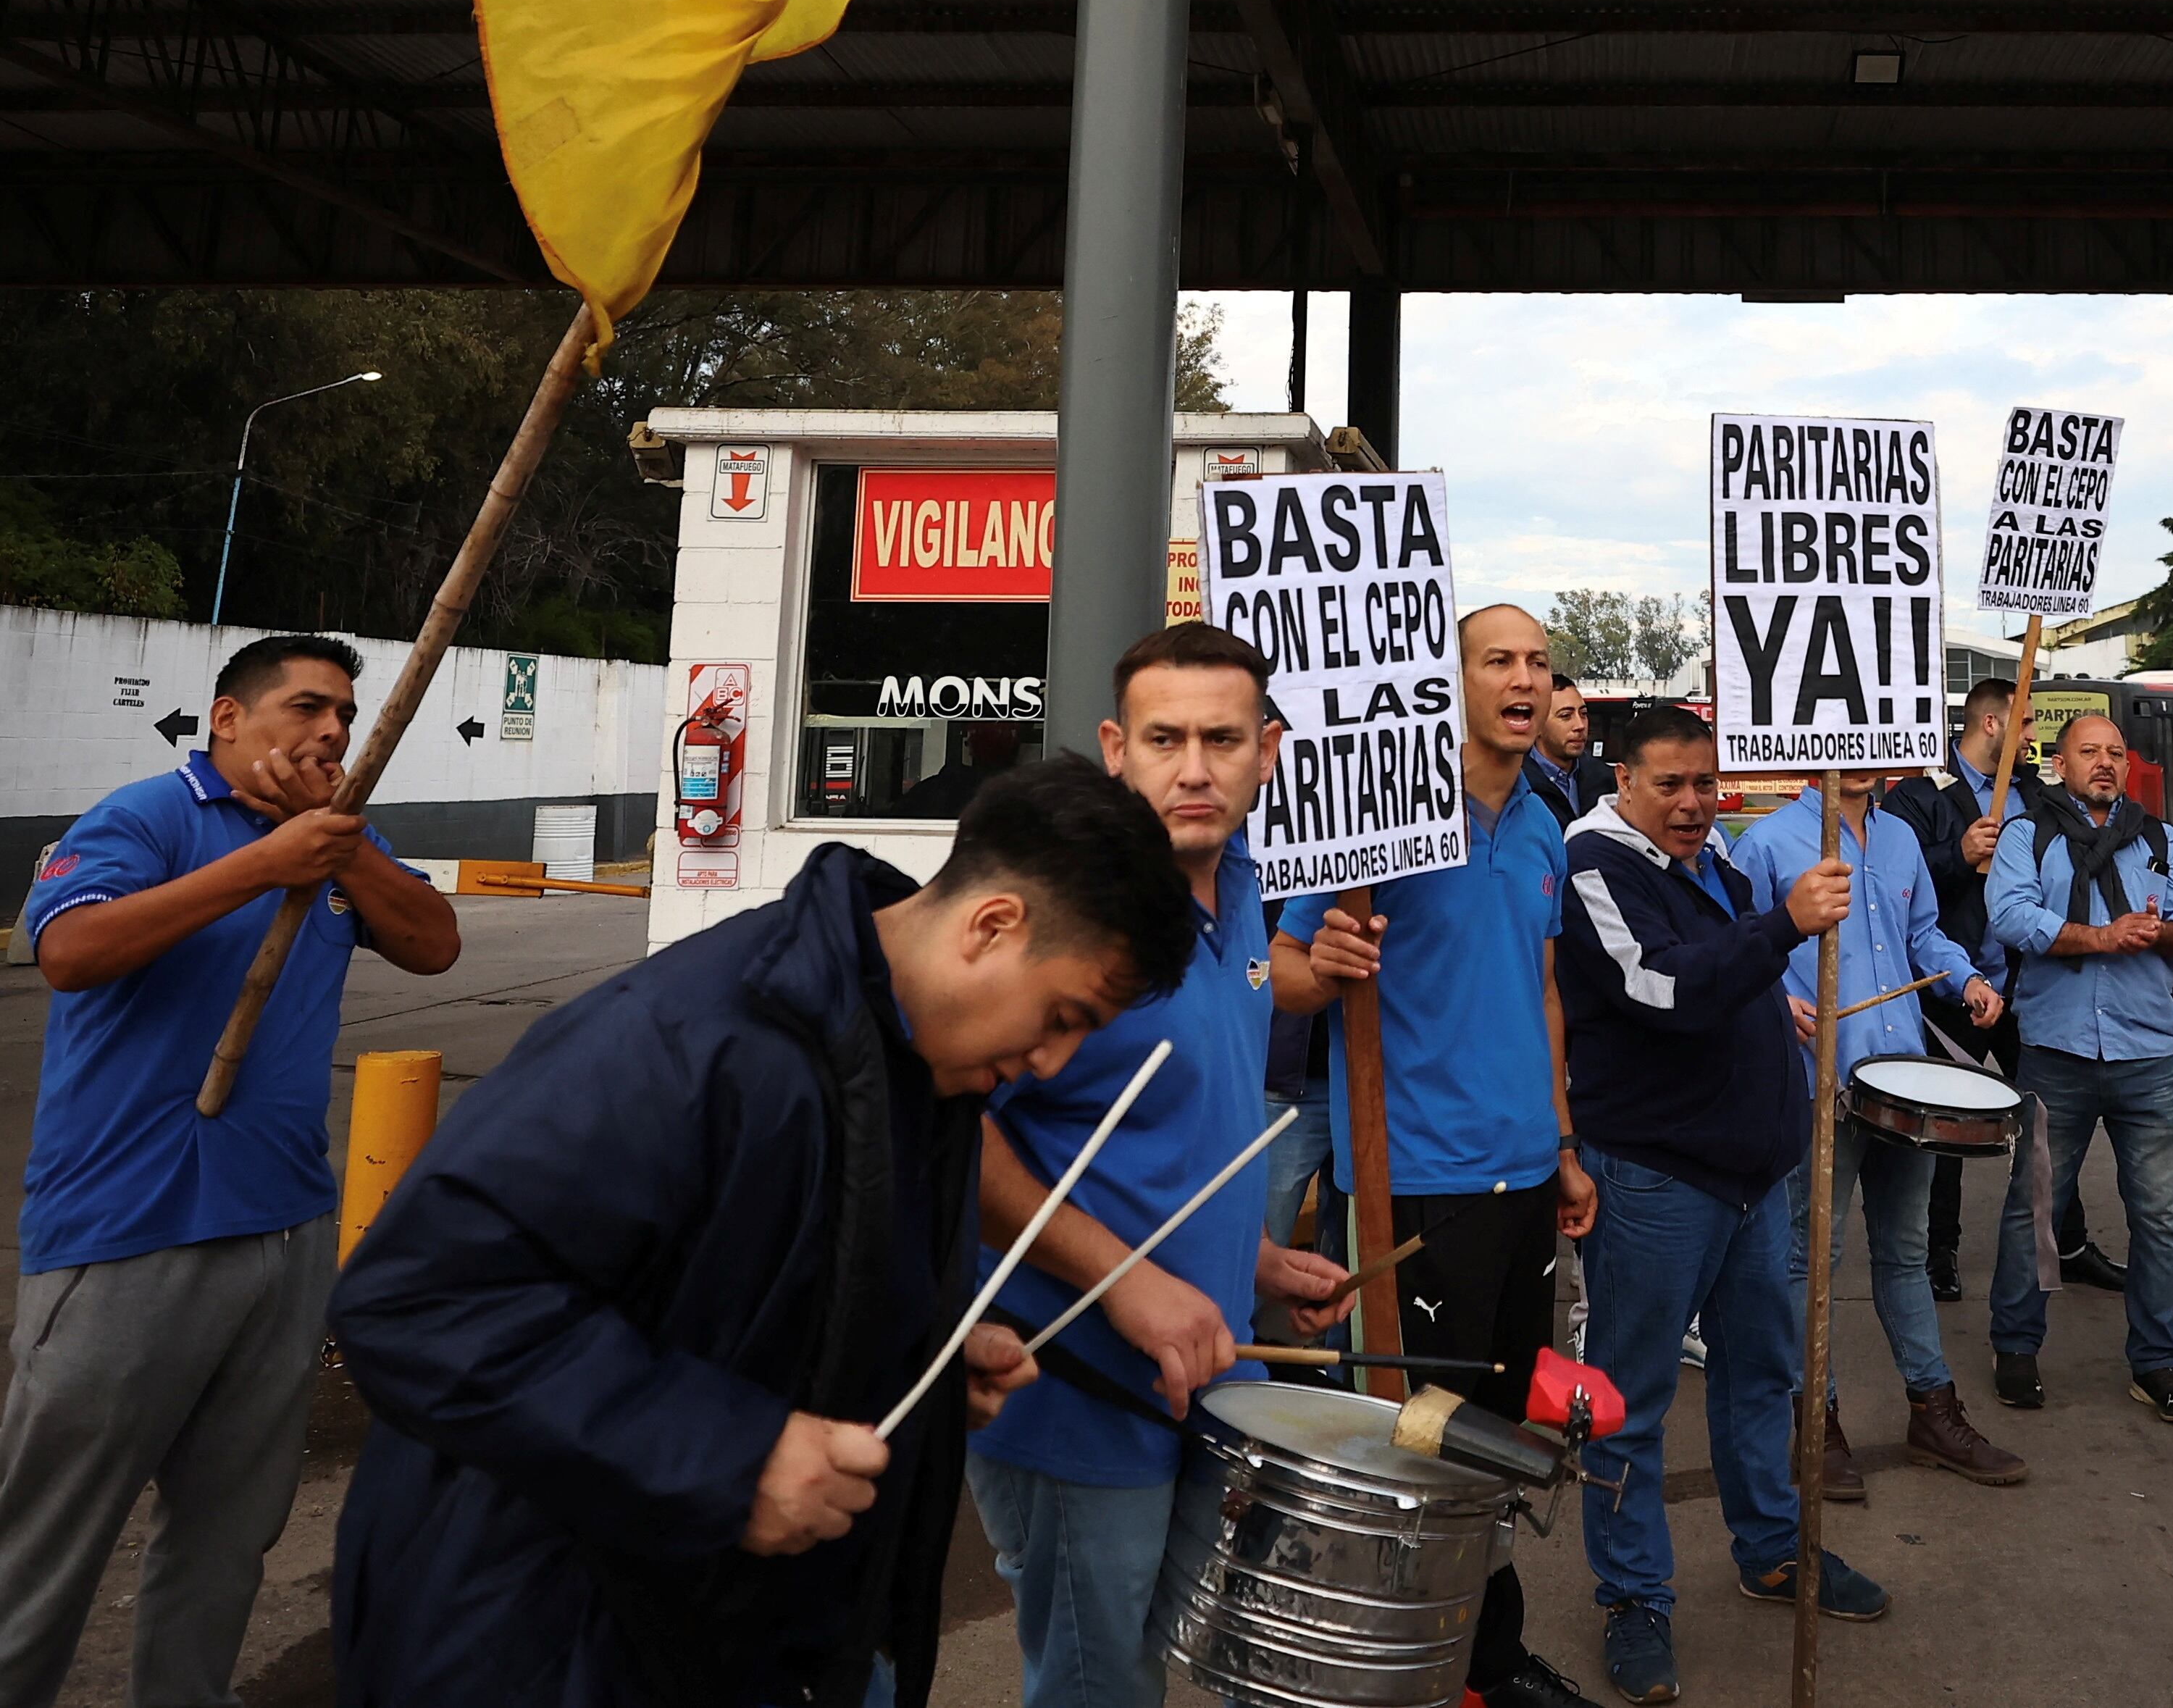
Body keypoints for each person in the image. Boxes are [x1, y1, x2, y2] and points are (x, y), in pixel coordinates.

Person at [327, 759, 1195, 1708]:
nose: (1050, 1063)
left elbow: (745, 1295)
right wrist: (733, 1459)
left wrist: (916, 1361)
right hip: (541, 1643)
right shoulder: (684, 1043)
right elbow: (414, 1301)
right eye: (1063, 1018)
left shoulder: (919, 1064)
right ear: (992, 927)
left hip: (753, 1640)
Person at [0, 634, 460, 1708]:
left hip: (285, 1233)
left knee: (227, 1538)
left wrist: (340, 853)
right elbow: (64, 951)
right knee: (47, 1544)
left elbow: (435, 943)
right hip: (126, 1235)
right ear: (226, 719)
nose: (333, 732)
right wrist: (261, 865)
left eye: (344, 714)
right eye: (308, 708)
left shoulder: (345, 841)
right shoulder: (145, 818)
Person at [964, 623, 1354, 1708]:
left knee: (1232, 1646)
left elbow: (1175, 1132)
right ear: (1114, 747)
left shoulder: (1245, 892)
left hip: (1216, 1366)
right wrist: (1126, 1282)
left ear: (1268, 752)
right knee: (1101, 1681)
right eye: (1166, 737)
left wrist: (1263, 1259)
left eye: (1223, 739)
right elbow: (956, 1139)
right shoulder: (1060, 920)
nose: (1194, 768)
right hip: (1070, 1385)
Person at [1274, 603, 1598, 1708]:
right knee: (1410, 1453)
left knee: (1499, 1448)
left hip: (1521, 1176)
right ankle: (1395, 1671)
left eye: (1538, 662)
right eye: (1498, 660)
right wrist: (1323, 958)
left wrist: (1559, 1139)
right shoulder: (1380, 814)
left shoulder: (1550, 818)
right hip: (1414, 1184)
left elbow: (1543, 991)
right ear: (1447, 681)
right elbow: (1289, 966)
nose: (1523, 678)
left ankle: (1484, 1666)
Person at [1555, 707, 1889, 1706]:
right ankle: (1634, 1598)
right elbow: (1658, 988)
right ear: (1625, 780)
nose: (1696, 803)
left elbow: (1726, 970)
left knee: (1762, 1376)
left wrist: (1769, 993)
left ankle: (1775, 1549)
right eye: (1672, 784)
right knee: (1629, 1398)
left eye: (1707, 783)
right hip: (1657, 1179)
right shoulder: (1595, 869)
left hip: (1756, 1175)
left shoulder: (1716, 868)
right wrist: (1783, 927)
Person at [1730, 769, 2026, 1501]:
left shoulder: (1898, 837)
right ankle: (1813, 1420)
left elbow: (1923, 935)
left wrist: (1965, 980)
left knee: (1904, 1251)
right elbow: (1740, 950)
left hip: (1901, 1077)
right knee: (1809, 1260)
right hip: (1815, 1082)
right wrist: (1780, 1004)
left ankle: (1933, 1411)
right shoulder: (1765, 841)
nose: (1856, 756)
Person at [1986, 713, 2173, 1423]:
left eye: (2115, 752)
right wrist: (2099, 934)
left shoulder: (2158, 838)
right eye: (2088, 751)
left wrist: (2163, 931)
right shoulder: (2025, 835)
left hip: (2145, 1053)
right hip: (2054, 1049)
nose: (2104, 762)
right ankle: (2016, 1347)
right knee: (2036, 1208)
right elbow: (2011, 915)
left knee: (2162, 1216)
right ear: (2058, 764)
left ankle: (2155, 1362)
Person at [1877, 677, 2099, 1304]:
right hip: (1945, 991)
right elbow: (1900, 885)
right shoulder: (1917, 796)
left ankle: (2070, 1242)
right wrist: (1958, 852)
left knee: (2049, 1117)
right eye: (2026, 724)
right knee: (1943, 1127)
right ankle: (1937, 1252)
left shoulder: (2035, 795)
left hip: (2020, 986)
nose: (2034, 738)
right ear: (1993, 726)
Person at [1527, 673, 1593, 826]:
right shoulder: (1517, 786)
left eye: (1583, 714)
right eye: (1566, 716)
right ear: (1538, 725)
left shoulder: (1604, 780)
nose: (1580, 725)